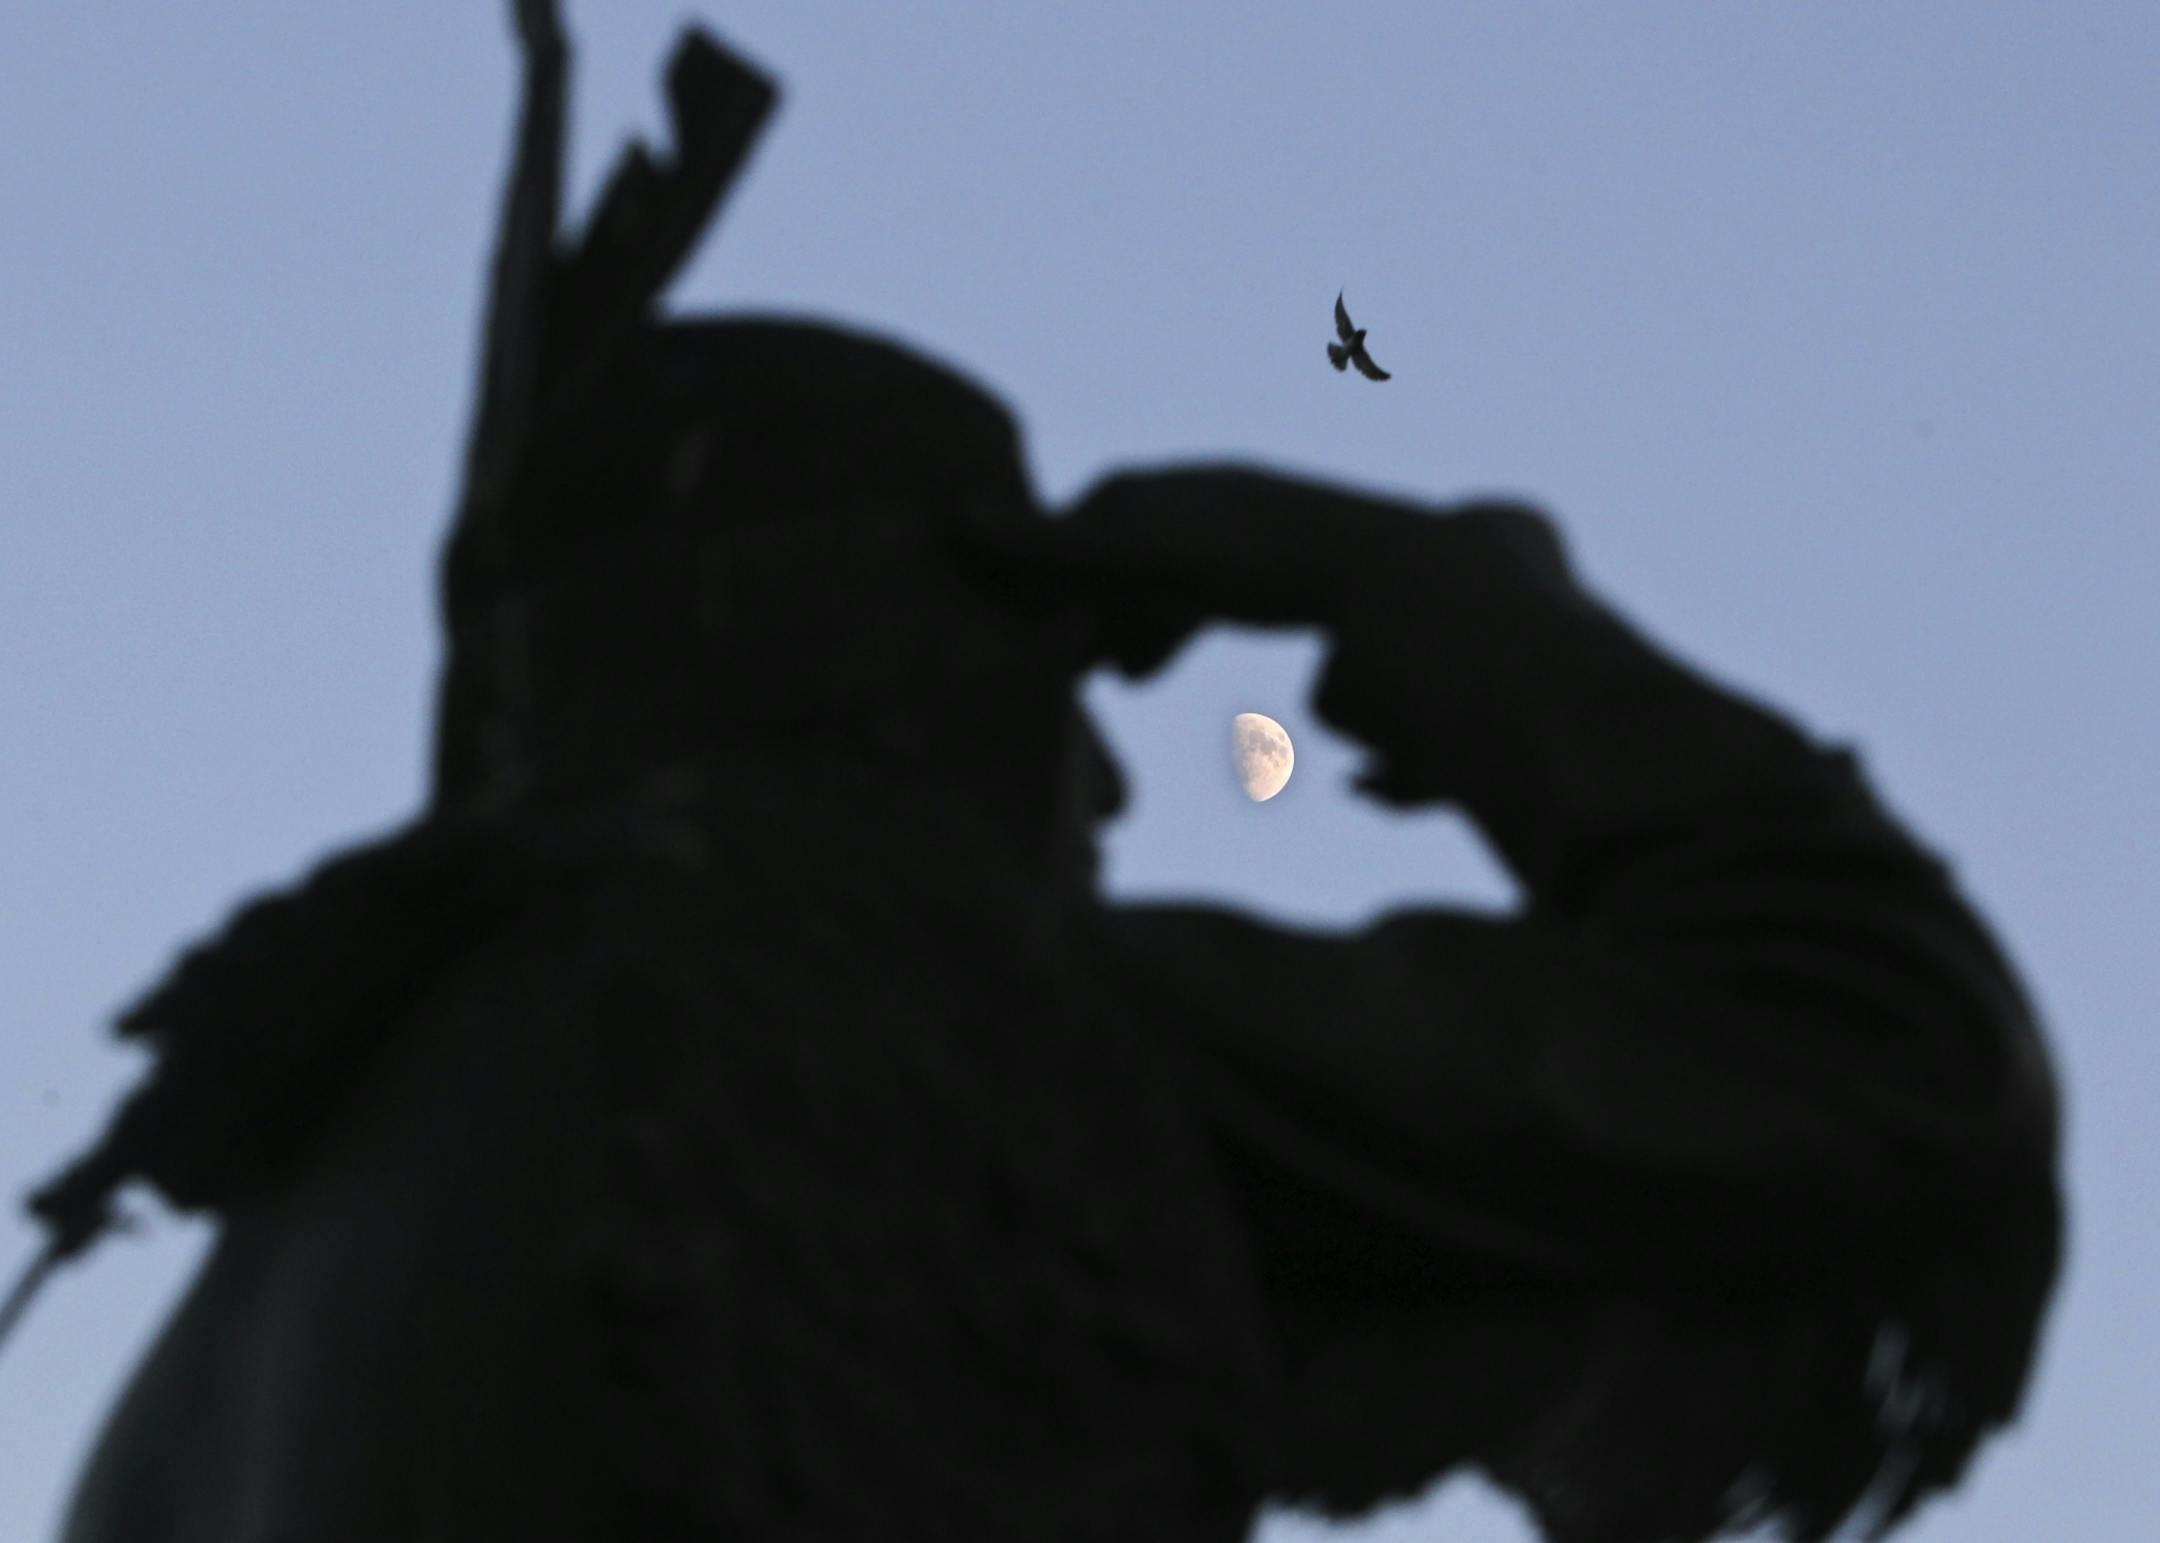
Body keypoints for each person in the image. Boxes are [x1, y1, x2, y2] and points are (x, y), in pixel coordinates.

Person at [22, 8, 2059, 1541]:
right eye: (1048, 679)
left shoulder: (208, 1363)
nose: (1102, 779)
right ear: (906, 680)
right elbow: (1891, 1069)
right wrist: (1445, 595)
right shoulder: (872, 1007)